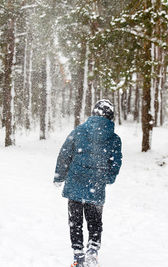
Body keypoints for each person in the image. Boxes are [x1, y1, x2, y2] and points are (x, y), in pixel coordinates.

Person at [53, 99, 122, 267]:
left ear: (94, 113)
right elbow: (116, 162)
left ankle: (78, 255)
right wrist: (108, 179)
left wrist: (59, 176)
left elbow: (65, 155)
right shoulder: (114, 138)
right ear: (111, 116)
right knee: (95, 222)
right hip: (96, 187)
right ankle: (92, 250)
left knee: (75, 222)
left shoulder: (78, 131)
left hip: (75, 184)